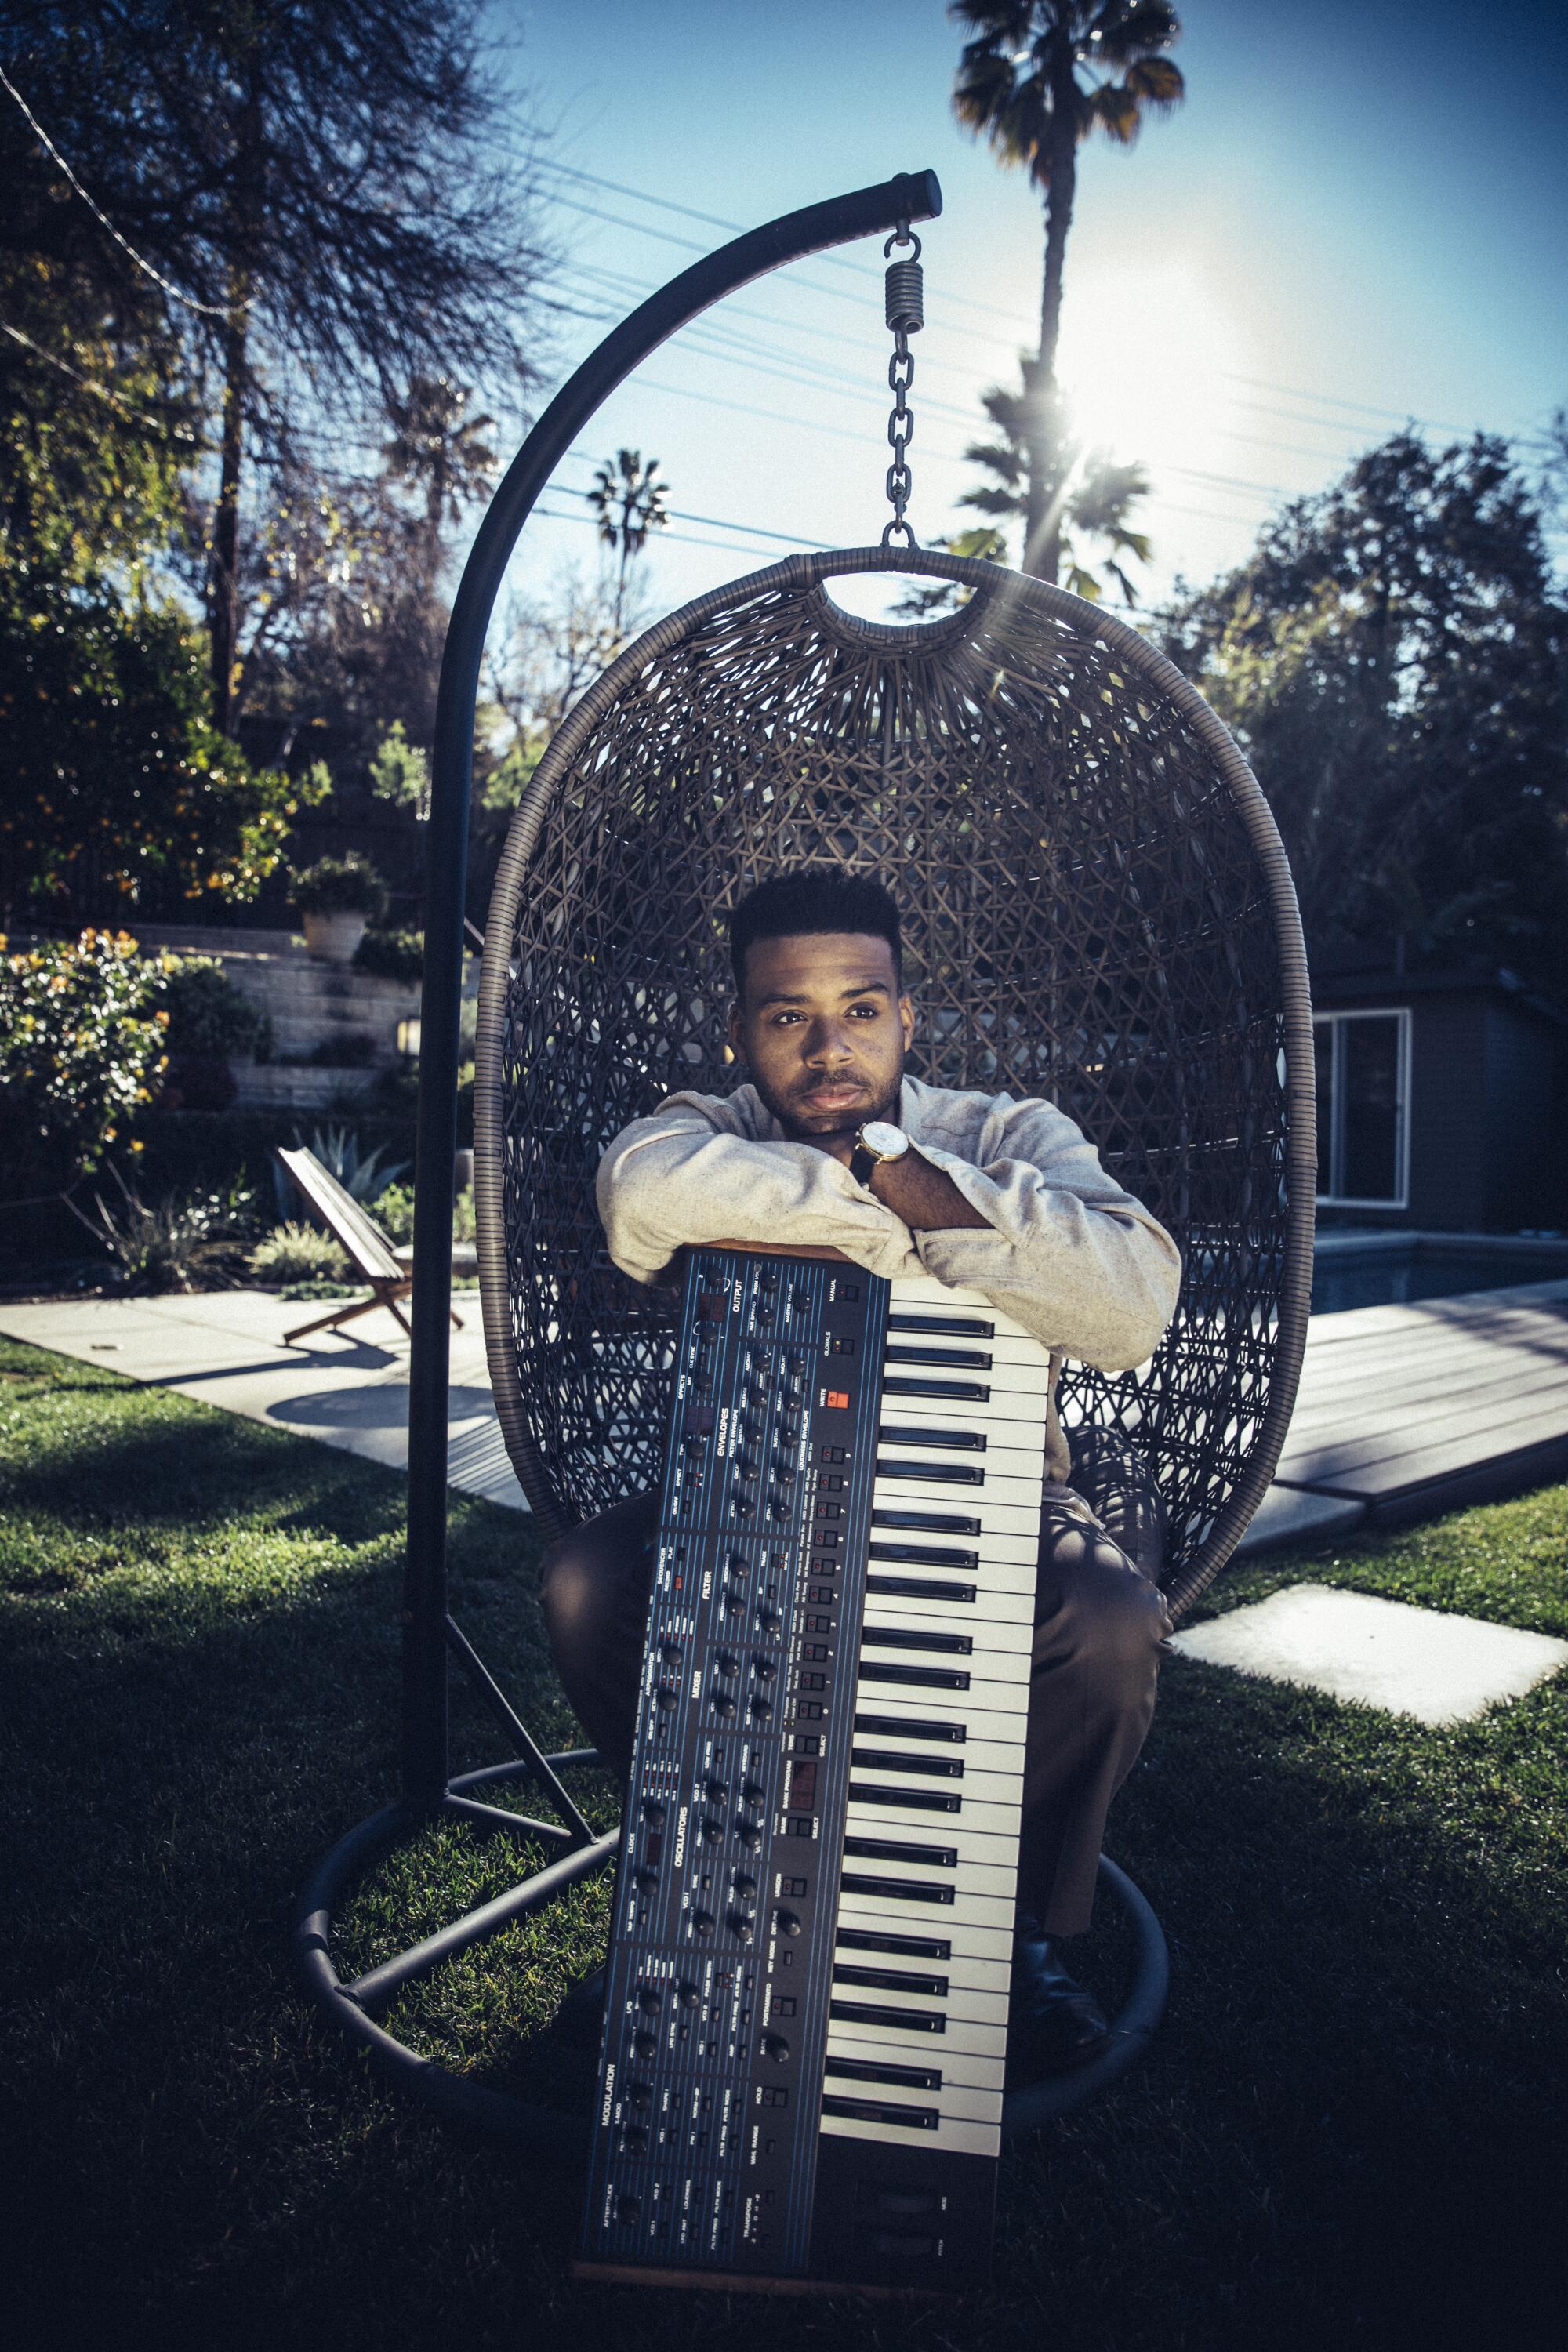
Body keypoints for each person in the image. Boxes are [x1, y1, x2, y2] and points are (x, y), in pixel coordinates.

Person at [542, 869, 1182, 2076]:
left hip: (999, 1491)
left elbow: (1133, 1303)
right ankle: (695, 1887)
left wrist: (914, 1175)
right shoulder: (712, 1128)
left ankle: (1005, 1940)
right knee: (584, 1581)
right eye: (788, 1016)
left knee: (1105, 1624)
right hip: (752, 1494)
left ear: (908, 1014)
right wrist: (912, 1206)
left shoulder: (1009, 1133)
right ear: (741, 1031)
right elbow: (639, 1198)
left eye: (862, 1009)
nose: (829, 1049)